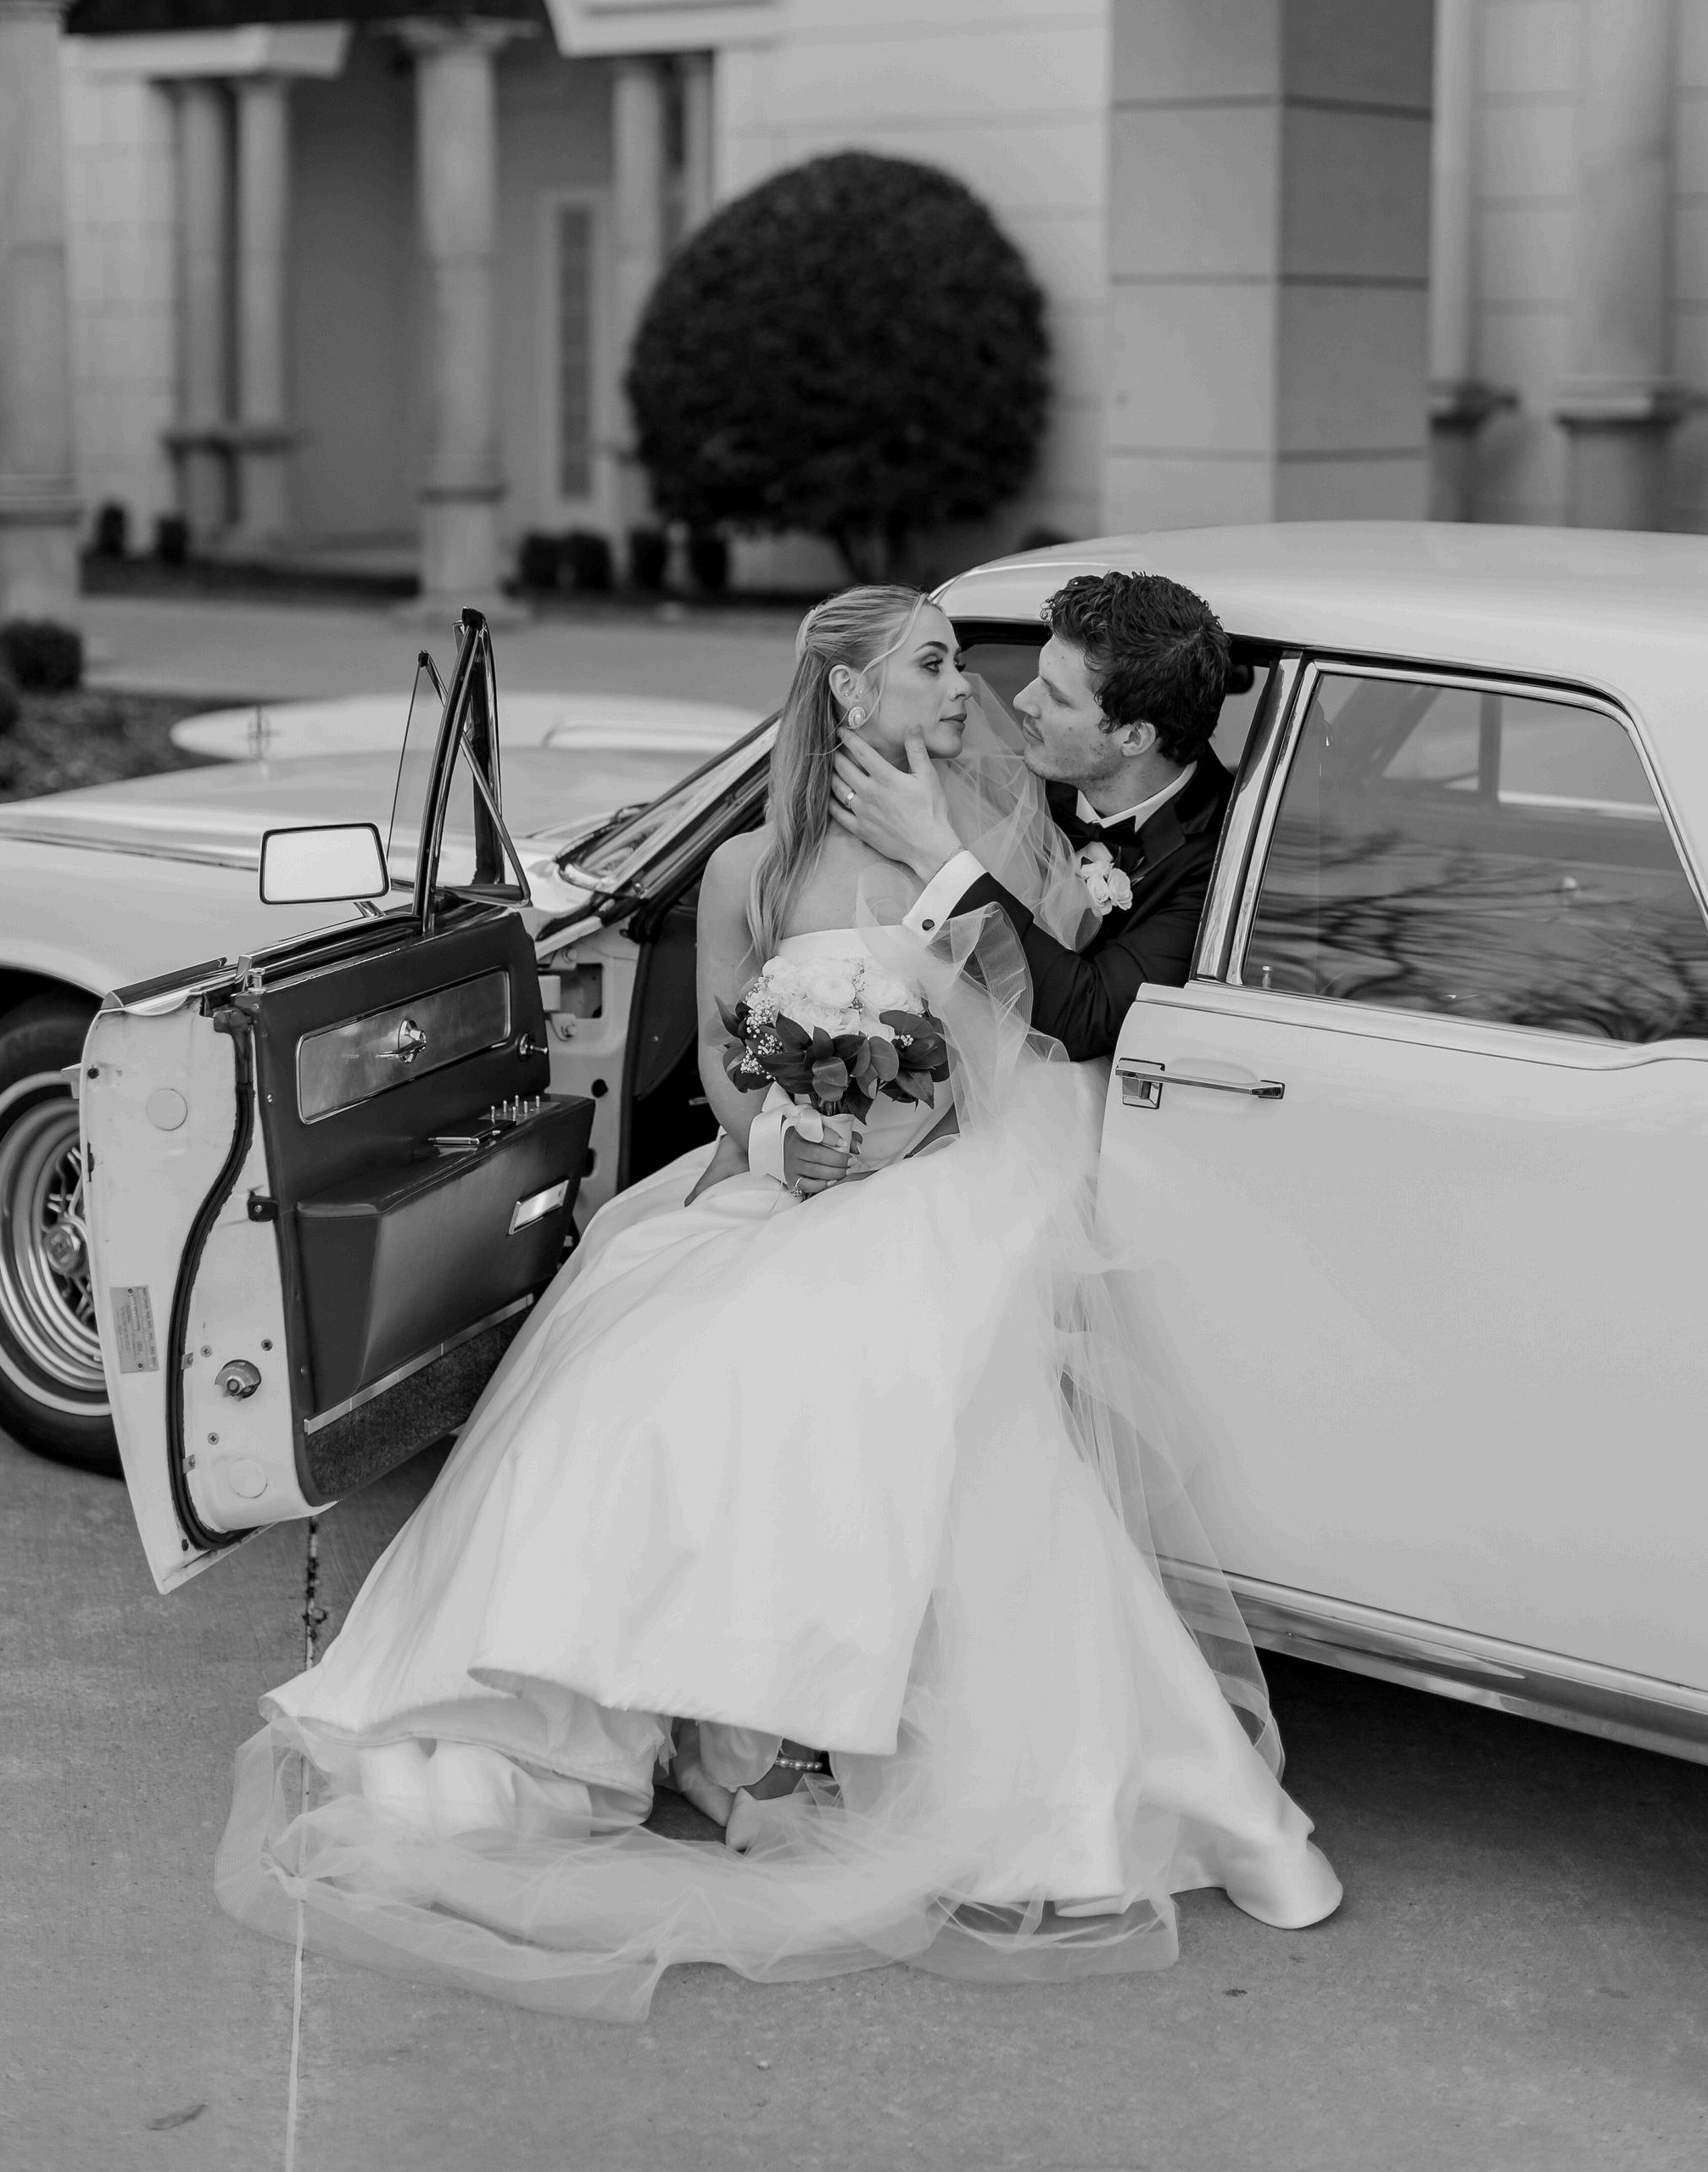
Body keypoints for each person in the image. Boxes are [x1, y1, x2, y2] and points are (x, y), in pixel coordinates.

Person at [217, 586, 1340, 2022]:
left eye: (1019, 683)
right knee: (629, 1363)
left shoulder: (1023, 842)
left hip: (963, 1175)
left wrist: (918, 1116)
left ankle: (786, 1731)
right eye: (942, 665)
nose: (989, 697)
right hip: (787, 1179)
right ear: (848, 696)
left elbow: (1045, 1031)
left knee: (843, 1364)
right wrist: (777, 1144)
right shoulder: (750, 864)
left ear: (1126, 732)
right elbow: (724, 1055)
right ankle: (603, 1715)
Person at [832, 571, 1233, 1061]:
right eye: (1038, 675)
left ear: (1133, 737)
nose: (1022, 701)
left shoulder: (1227, 859)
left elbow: (1088, 1016)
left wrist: (935, 855)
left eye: (1057, 696)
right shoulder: (1004, 784)